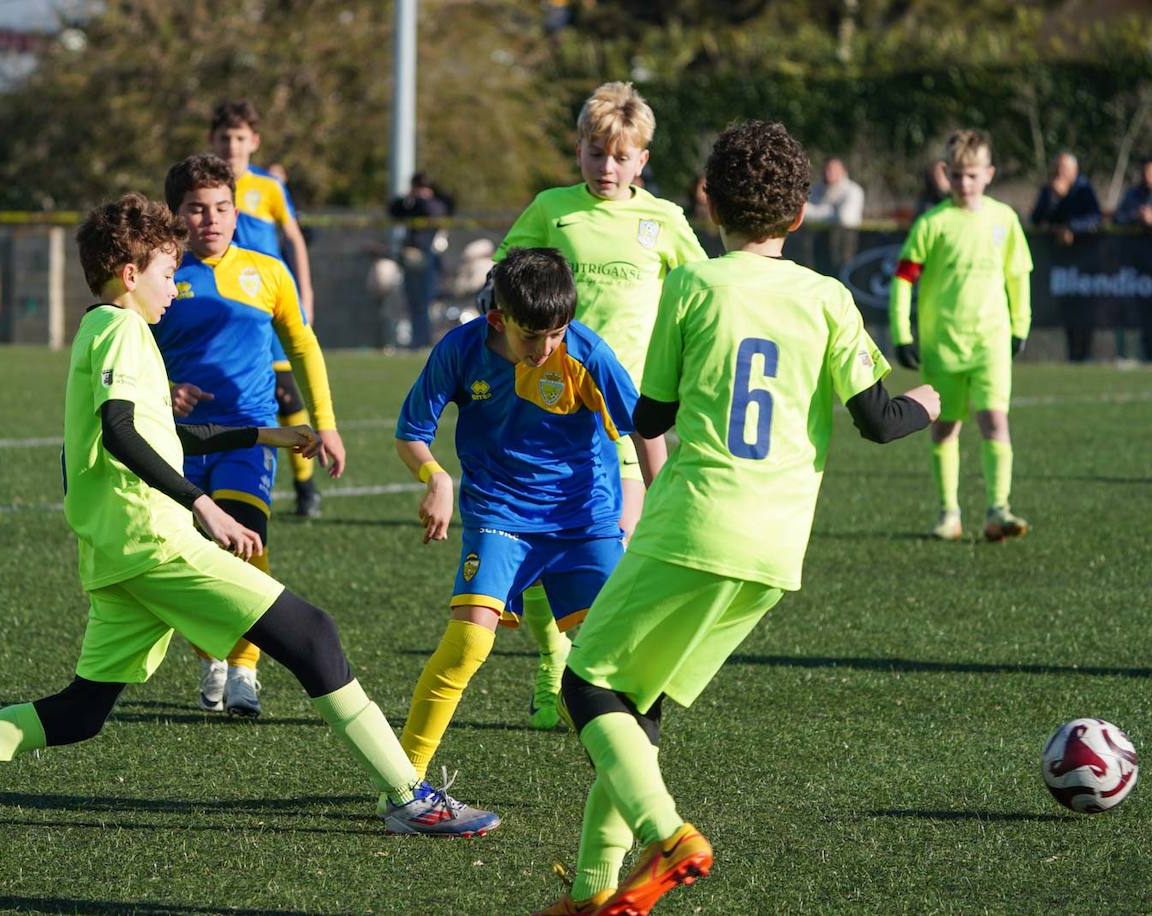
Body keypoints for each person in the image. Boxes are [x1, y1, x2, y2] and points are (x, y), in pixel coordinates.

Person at [0, 192, 499, 837]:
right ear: (130, 275)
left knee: (81, 711)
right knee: (313, 635)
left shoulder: (105, 331)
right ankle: (408, 797)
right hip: (151, 540)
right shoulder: (123, 329)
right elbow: (124, 433)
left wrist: (262, 436)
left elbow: (162, 436)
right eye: (164, 273)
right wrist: (204, 505)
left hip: (116, 552)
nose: (173, 287)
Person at [533, 120, 939, 916]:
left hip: (693, 521)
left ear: (708, 201)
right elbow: (881, 420)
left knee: (584, 685)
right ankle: (593, 897)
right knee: (634, 709)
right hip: (773, 549)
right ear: (800, 215)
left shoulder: (694, 286)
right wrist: (925, 401)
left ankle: (670, 833)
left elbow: (650, 413)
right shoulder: (827, 297)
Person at [392, 246, 648, 829]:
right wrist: (435, 478)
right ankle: (402, 787)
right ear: (498, 319)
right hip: (499, 516)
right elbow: (411, 433)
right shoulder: (459, 350)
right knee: (467, 646)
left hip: (583, 522)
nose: (547, 349)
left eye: (557, 333)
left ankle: (635, 792)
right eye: (534, 336)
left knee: (612, 662)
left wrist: (653, 505)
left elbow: (643, 431)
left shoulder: (587, 352)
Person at [492, 81, 706, 730]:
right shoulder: (552, 210)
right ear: (579, 151)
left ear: (643, 159)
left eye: (621, 156)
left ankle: (590, 670)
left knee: (612, 544)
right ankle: (551, 659)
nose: (606, 168)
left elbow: (699, 295)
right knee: (539, 537)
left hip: (631, 412)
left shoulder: (665, 221)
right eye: (594, 153)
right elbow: (504, 276)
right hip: (548, 405)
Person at [154, 154, 347, 718]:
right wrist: (165, 385)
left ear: (237, 211)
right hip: (175, 442)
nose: (210, 219)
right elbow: (126, 345)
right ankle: (211, 654)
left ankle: (243, 668)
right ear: (175, 215)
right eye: (196, 208)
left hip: (249, 438)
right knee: (186, 560)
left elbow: (304, 347)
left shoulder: (267, 272)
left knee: (246, 547)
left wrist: (326, 425)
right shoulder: (159, 275)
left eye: (221, 207)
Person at [891, 129, 1033, 542]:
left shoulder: (1004, 219)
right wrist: (903, 332)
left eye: (972, 175)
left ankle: (997, 509)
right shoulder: (932, 225)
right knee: (945, 428)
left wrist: (1020, 323)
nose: (964, 184)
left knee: (995, 422)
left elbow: (1018, 276)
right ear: (944, 174)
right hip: (943, 347)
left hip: (990, 343)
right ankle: (949, 512)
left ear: (989, 174)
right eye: (956, 175)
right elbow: (903, 281)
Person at [209, 100, 324, 518]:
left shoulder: (268, 188)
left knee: (285, 389)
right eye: (225, 138)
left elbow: (293, 238)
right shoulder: (206, 189)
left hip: (269, 299)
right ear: (212, 141)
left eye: (240, 138)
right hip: (227, 306)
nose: (232, 146)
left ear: (254, 142)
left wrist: (304, 291)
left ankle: (305, 484)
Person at [1031, 153, 1103, 362]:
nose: (1060, 172)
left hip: (1085, 260)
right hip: (1059, 261)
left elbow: (1095, 218)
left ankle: (1086, 354)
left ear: (1075, 170)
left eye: (1065, 168)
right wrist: (1054, 198)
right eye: (1058, 167)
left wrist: (1072, 229)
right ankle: (1073, 355)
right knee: (1068, 309)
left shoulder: (1084, 189)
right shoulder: (1049, 190)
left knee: (1084, 308)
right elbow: (1036, 219)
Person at [1113, 157, 1152, 362]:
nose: (1147, 178)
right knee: (1145, 313)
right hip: (1140, 264)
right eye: (1145, 173)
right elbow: (1118, 217)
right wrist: (1136, 217)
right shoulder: (1134, 194)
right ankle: (1147, 355)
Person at [388, 172, 455, 348]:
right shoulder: (410, 205)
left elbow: (432, 210)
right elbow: (393, 210)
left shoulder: (434, 204)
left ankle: (424, 340)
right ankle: (417, 340)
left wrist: (419, 200)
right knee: (414, 302)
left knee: (426, 302)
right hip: (410, 257)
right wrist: (408, 199)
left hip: (429, 258)